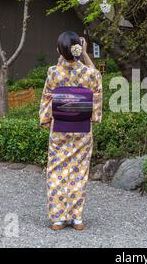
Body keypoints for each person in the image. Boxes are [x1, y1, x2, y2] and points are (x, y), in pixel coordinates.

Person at [39, 31, 102, 231]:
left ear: (59, 50)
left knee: (57, 170)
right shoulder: (90, 73)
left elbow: (47, 96)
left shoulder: (54, 72)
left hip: (60, 128)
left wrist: (46, 119)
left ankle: (58, 218)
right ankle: (76, 218)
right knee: (79, 170)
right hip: (82, 128)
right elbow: (97, 83)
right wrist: (85, 55)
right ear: (78, 49)